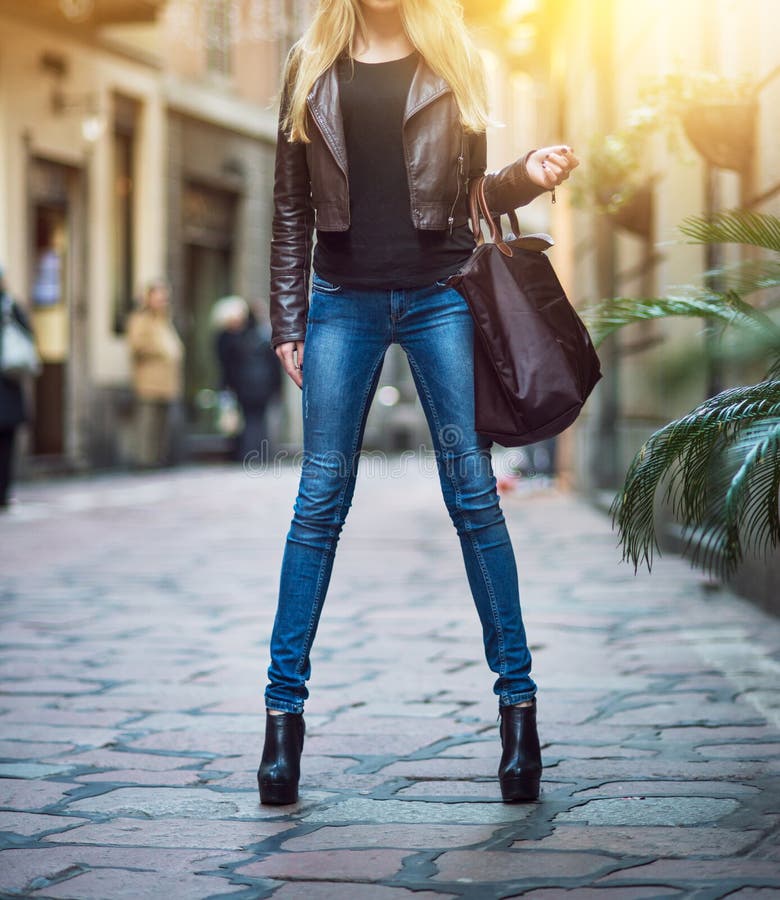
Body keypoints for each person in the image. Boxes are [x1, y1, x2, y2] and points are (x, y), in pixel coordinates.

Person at [258, 0, 579, 806]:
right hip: (341, 301)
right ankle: (280, 724)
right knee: (318, 500)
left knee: (473, 496)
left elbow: (471, 195)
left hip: (441, 295)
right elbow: (290, 205)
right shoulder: (308, 67)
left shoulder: (454, 60)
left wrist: (523, 177)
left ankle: (518, 714)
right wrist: (289, 317)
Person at [212, 295, 281, 464]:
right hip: (258, 385)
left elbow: (227, 364)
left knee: (250, 420)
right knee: (254, 420)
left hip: (246, 386)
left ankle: (251, 454)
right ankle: (258, 454)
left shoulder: (242, 337)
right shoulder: (256, 337)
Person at [126, 280, 184, 468]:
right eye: (159, 297)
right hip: (148, 382)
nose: (162, 301)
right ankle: (144, 461)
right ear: (148, 298)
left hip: (167, 383)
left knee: (161, 426)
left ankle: (158, 459)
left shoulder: (165, 320)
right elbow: (136, 346)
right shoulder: (140, 319)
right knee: (147, 425)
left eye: (164, 297)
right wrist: (161, 351)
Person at [0, 267, 35, 510]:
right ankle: (3, 494)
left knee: (6, 444)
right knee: (6, 445)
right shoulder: (12, 306)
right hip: (9, 385)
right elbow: (30, 335)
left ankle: (3, 493)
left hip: (7, 387)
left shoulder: (11, 307)